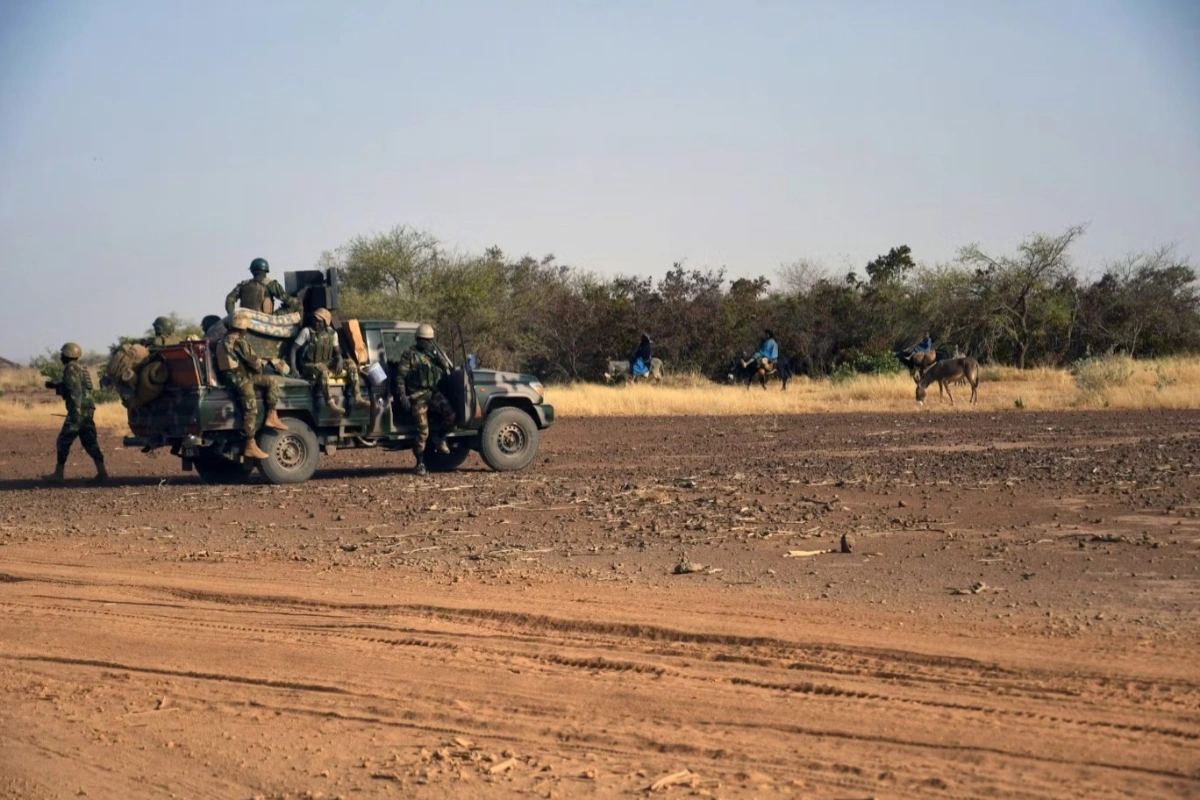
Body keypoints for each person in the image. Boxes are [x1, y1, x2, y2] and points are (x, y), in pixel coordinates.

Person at [215, 311, 289, 459]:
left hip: (229, 377)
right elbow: (253, 362)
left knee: (270, 383)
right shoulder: (239, 341)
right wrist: (262, 366)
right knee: (251, 409)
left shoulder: (222, 340)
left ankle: (271, 416)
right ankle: (250, 443)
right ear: (243, 329)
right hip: (241, 379)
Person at [392, 323, 456, 476]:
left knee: (451, 415)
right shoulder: (409, 354)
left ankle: (440, 438)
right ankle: (419, 463)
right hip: (416, 395)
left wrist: (438, 354)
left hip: (432, 393)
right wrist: (403, 396)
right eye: (424, 340)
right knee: (423, 431)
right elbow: (400, 377)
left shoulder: (432, 355)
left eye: (429, 340)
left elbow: (447, 367)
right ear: (418, 340)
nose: (426, 343)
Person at [43, 342, 106, 483]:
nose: (60, 357)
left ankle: (58, 474)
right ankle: (102, 472)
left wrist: (74, 413)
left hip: (77, 412)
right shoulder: (82, 369)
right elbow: (80, 388)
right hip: (88, 410)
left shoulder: (70, 368)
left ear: (67, 355)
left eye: (62, 354)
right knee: (90, 441)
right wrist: (56, 386)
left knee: (63, 441)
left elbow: (74, 390)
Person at [292, 308, 363, 416]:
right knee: (323, 371)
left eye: (319, 321)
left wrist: (339, 359)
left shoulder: (332, 334)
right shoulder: (307, 332)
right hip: (310, 364)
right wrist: (294, 370)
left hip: (327, 361)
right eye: (315, 320)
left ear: (325, 322)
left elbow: (337, 351)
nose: (316, 323)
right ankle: (330, 403)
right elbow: (293, 349)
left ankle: (357, 397)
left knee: (351, 364)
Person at [224, 258, 296, 317]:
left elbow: (230, 299)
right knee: (294, 307)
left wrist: (233, 315)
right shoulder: (271, 284)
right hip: (266, 318)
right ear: (266, 270)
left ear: (252, 271)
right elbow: (288, 301)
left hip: (246, 317)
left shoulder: (243, 285)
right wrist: (296, 301)